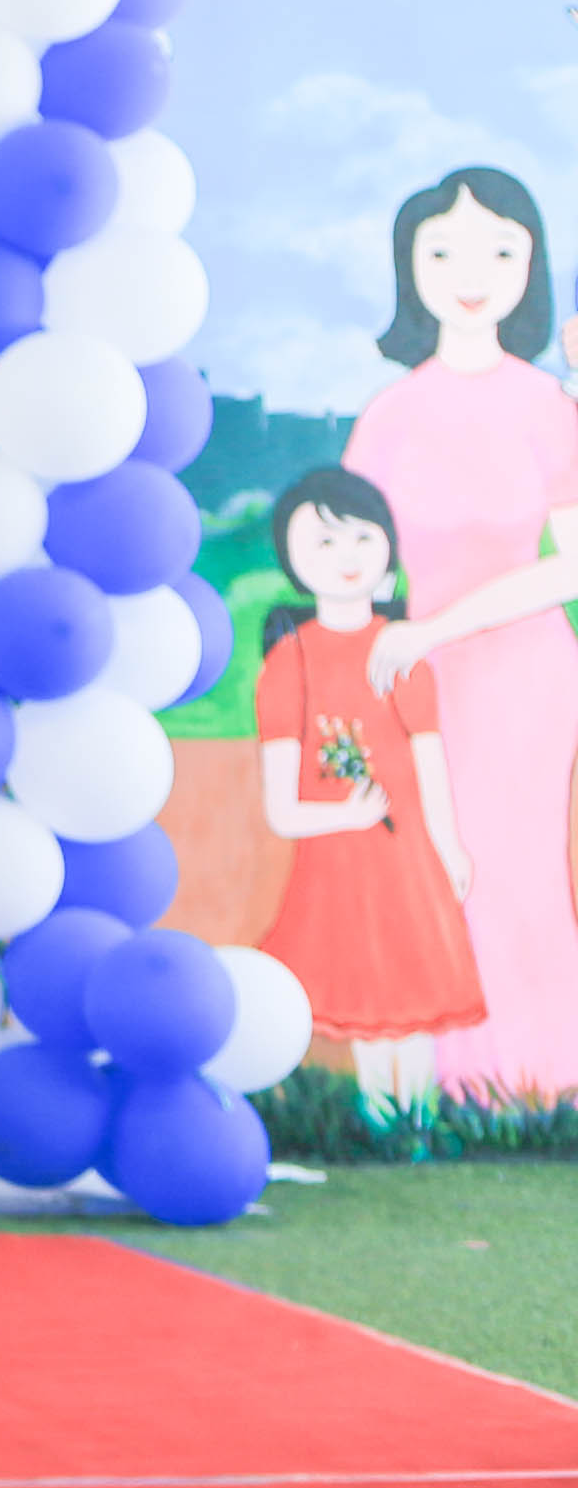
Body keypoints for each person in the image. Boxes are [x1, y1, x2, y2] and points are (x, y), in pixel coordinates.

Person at [340, 166, 578, 1104]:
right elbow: (357, 563)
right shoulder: (389, 416)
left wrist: (439, 625)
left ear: (531, 268)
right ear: (410, 268)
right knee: (433, 868)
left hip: (525, 678)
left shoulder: (547, 407)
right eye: (442, 252)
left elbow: (570, 567)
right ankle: (438, 1083)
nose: (471, 275)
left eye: (500, 252)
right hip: (414, 681)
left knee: (518, 865)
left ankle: (537, 1079)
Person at [245, 464, 485, 1115]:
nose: (346, 557)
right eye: (324, 542)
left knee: (414, 994)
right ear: (292, 559)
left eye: (360, 538)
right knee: (369, 996)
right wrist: (346, 817)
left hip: (408, 862)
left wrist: (449, 847)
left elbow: (428, 759)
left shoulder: (401, 651)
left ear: (387, 547)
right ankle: (384, 1122)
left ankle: (420, 1124)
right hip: (339, 870)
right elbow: (282, 811)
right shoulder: (290, 662)